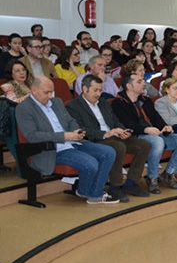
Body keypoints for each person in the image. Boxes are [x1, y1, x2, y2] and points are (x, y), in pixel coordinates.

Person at [16, 76, 119, 204]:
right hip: (52, 149)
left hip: (73, 142)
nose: (50, 96)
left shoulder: (57, 102)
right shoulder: (24, 108)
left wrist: (76, 132)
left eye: (51, 92)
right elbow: (32, 136)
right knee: (91, 163)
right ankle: (92, 193)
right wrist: (64, 136)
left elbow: (71, 121)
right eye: (46, 92)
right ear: (34, 90)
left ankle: (91, 192)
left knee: (109, 152)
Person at [66, 74, 151, 202]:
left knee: (144, 145)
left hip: (113, 136)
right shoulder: (73, 106)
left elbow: (115, 121)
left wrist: (122, 130)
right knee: (118, 146)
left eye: (100, 90)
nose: (98, 93)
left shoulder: (104, 103)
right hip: (96, 139)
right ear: (84, 89)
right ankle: (115, 186)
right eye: (95, 90)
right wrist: (106, 134)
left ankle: (131, 182)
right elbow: (81, 130)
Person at [112, 74, 177, 193]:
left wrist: (164, 126)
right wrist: (146, 130)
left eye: (143, 81)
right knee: (158, 141)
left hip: (155, 133)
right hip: (137, 135)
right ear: (129, 86)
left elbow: (155, 117)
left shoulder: (145, 100)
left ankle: (169, 173)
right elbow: (127, 124)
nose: (143, 84)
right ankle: (152, 177)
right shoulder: (119, 103)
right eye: (139, 81)